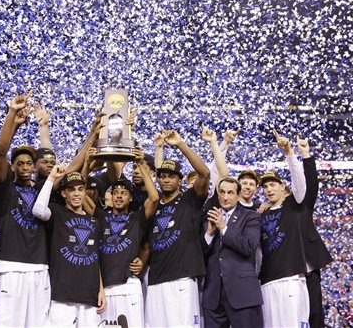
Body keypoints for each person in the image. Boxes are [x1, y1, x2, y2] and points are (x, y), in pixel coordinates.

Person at [0, 92, 50, 327]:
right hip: (12, 268)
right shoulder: (5, 189)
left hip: (40, 267)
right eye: (20, 163)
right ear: (12, 167)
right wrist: (12, 115)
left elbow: (51, 161)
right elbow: (0, 153)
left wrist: (43, 127)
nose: (25, 167)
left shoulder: (43, 190)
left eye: (29, 163)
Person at [144, 128, 210, 327]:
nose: (166, 179)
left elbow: (205, 173)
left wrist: (180, 144)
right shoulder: (152, 204)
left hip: (181, 278)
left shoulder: (189, 200)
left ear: (180, 180)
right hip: (155, 279)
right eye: (162, 175)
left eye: (171, 176)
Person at [87, 149, 159, 327]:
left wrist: (141, 164)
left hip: (128, 286)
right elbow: (81, 198)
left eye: (124, 193)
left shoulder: (137, 218)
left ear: (130, 198)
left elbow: (154, 198)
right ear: (110, 196)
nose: (119, 195)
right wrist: (87, 167)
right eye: (115, 192)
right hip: (105, 288)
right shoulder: (101, 217)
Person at [33, 167, 106, 327]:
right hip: (63, 293)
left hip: (89, 293)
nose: (77, 193)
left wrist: (101, 289)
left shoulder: (94, 222)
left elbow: (95, 258)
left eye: (80, 189)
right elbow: (38, 210)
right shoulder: (56, 212)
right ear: (63, 194)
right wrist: (52, 177)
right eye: (71, 189)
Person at [258, 131, 310, 327]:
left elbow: (300, 182)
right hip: (267, 281)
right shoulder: (261, 213)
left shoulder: (293, 205)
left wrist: (289, 152)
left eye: (272, 185)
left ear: (282, 186)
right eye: (265, 187)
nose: (269, 189)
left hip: (291, 280)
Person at [202, 177, 263, 327]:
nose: (225, 197)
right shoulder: (209, 218)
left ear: (238, 195)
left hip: (243, 293)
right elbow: (199, 255)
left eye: (230, 192)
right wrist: (209, 234)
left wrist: (223, 228)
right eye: (222, 192)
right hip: (213, 294)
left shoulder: (250, 217)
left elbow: (249, 247)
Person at [298, 138, 333, 328]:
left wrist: (305, 155)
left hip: (308, 272)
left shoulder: (301, 209)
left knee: (315, 316)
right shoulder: (272, 213)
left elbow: (311, 186)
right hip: (286, 277)